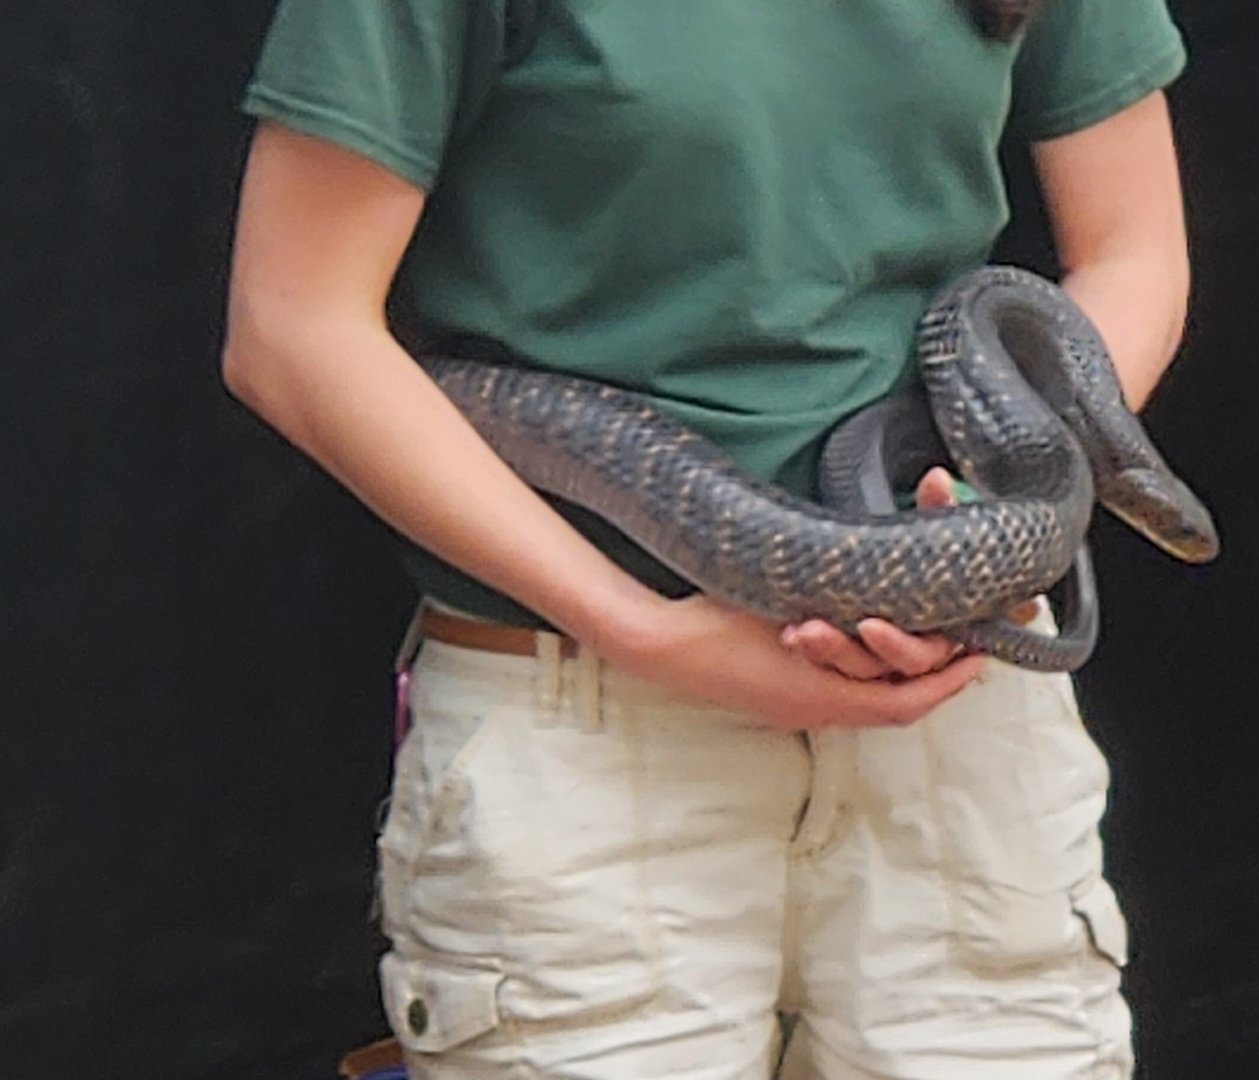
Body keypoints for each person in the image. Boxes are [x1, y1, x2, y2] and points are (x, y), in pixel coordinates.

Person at [223, 0, 1192, 1076]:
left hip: (963, 736)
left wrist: (971, 535)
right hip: (588, 735)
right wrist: (644, 630)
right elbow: (292, 327)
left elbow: (1133, 249)